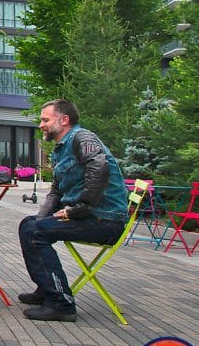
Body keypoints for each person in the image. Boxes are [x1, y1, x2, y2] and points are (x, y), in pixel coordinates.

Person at [17, 99, 128, 322]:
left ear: (64, 120)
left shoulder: (82, 138)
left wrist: (80, 207)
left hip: (104, 219)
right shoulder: (60, 149)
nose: (41, 125)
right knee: (29, 225)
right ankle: (47, 289)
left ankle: (61, 304)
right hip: (89, 216)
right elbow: (56, 192)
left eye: (45, 120)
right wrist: (41, 218)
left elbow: (99, 166)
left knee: (38, 231)